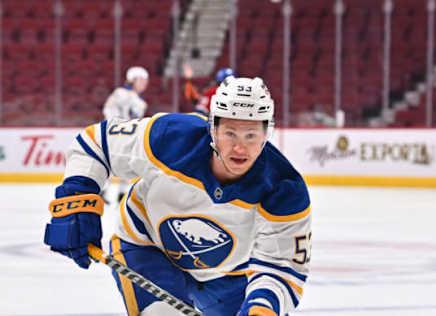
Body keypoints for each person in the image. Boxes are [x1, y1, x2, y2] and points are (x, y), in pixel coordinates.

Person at [44, 76, 311, 316]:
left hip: (231, 275)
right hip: (145, 247)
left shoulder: (284, 188)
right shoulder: (172, 136)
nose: (240, 147)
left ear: (267, 134)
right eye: (230, 132)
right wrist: (76, 197)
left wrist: (263, 307)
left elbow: (281, 266)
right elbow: (94, 143)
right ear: (213, 129)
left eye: (251, 134)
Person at [102, 66, 149, 203]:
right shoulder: (121, 93)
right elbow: (109, 112)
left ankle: (121, 194)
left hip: (126, 136)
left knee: (126, 164)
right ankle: (104, 190)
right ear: (133, 79)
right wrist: (115, 128)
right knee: (116, 163)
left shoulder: (140, 101)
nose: (145, 83)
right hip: (117, 135)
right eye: (142, 80)